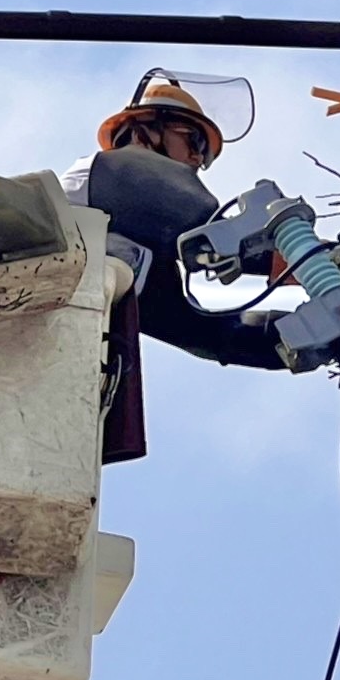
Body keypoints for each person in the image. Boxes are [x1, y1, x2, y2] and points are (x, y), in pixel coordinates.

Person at [60, 73, 286, 462]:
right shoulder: (114, 170)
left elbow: (208, 331)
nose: (199, 159)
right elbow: (204, 227)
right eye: (194, 140)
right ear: (145, 130)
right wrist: (320, 259)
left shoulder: (124, 258)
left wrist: (305, 340)